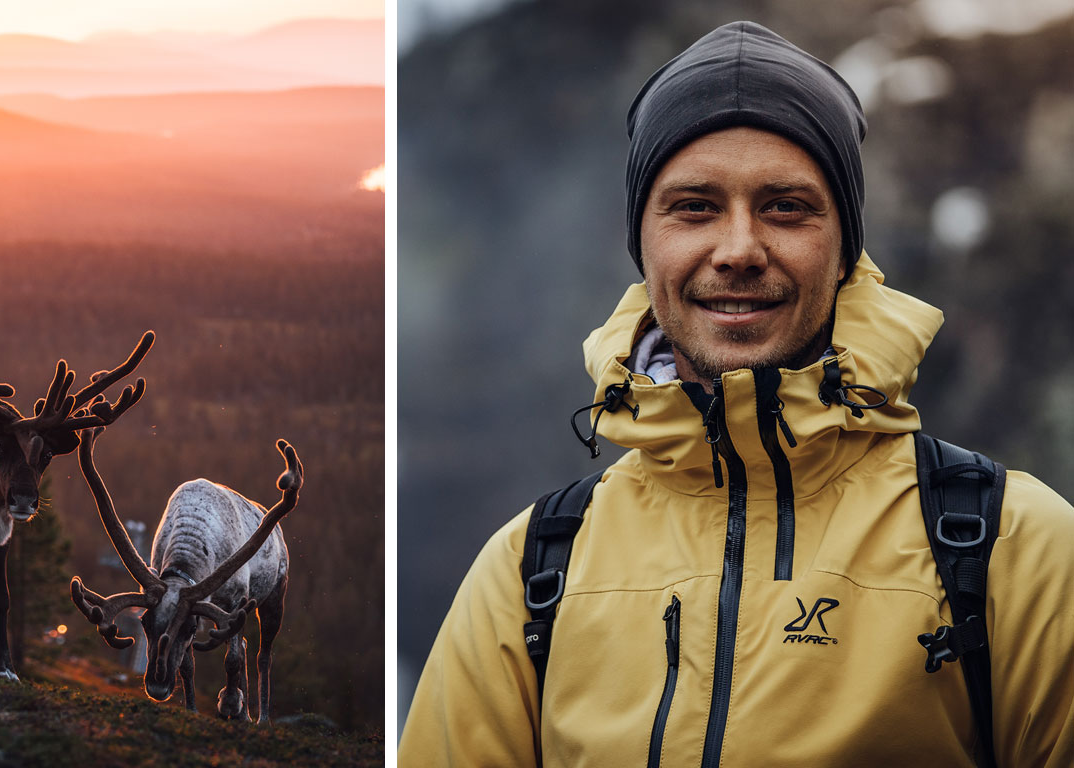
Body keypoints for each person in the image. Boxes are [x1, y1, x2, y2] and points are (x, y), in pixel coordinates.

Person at [398, 21, 1074, 767]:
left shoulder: (1020, 548)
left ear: (845, 250)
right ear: (643, 242)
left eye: (785, 206)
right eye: (695, 206)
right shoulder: (528, 570)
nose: (739, 249)